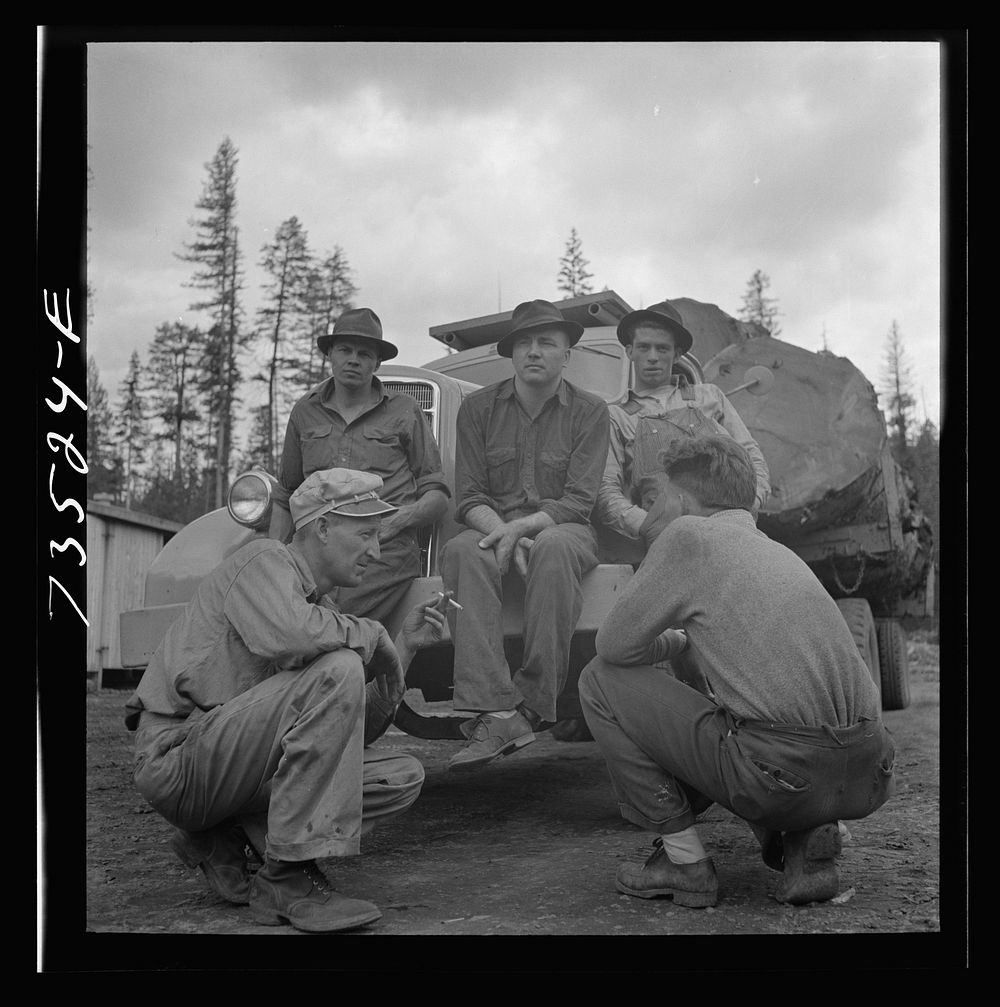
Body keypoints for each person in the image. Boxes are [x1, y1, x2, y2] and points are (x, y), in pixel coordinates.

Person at [125, 468, 449, 933]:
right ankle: (287, 879)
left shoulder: (322, 612)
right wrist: (370, 636)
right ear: (321, 526)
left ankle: (223, 835)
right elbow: (293, 637)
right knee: (338, 667)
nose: (376, 552)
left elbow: (353, 731)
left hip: (229, 764)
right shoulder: (262, 560)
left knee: (400, 774)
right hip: (178, 758)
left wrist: (406, 645)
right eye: (366, 534)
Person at [579, 436, 895, 908]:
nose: (653, 513)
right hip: (870, 768)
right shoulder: (775, 551)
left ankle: (684, 863)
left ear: (684, 500)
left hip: (781, 772)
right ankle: (801, 843)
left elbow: (615, 647)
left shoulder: (687, 535)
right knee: (752, 721)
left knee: (598, 679)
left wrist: (673, 641)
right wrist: (688, 643)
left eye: (656, 498)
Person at [440, 298, 611, 771]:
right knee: (461, 550)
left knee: (554, 547)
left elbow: (579, 500)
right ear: (512, 353)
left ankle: (534, 705)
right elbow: (469, 497)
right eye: (524, 343)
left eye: (546, 343)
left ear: (566, 353)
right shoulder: (477, 409)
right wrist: (504, 533)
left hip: (564, 529)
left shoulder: (591, 412)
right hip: (494, 531)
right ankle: (494, 708)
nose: (534, 351)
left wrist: (520, 529)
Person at [269, 307, 450, 624]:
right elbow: (287, 497)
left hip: (380, 550)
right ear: (330, 355)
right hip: (317, 549)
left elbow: (437, 498)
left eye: (365, 353)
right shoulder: (303, 413)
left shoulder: (405, 412)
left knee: (323, 618)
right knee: (265, 605)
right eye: (345, 350)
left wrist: (395, 522)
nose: (354, 359)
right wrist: (272, 560)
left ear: (377, 362)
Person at [595, 300, 771, 544]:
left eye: (663, 349)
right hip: (662, 541)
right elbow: (606, 490)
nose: (653, 357)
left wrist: (750, 505)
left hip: (730, 532)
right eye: (644, 347)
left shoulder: (710, 397)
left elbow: (751, 457)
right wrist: (647, 526)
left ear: (677, 354)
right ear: (629, 351)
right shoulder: (616, 417)